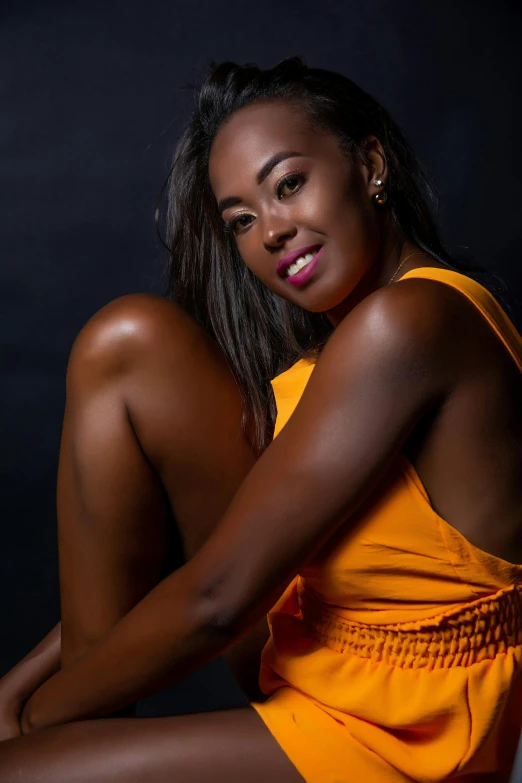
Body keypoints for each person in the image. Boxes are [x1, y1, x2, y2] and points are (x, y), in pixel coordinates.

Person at [0, 55, 521, 782]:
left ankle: (67, 738)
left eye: (290, 185)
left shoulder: (408, 323)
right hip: (318, 649)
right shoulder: (352, 340)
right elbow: (212, 555)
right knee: (130, 341)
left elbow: (218, 596)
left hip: (408, 729)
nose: (271, 230)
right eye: (242, 219)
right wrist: (23, 684)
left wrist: (35, 722)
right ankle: (81, 728)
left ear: (370, 166)